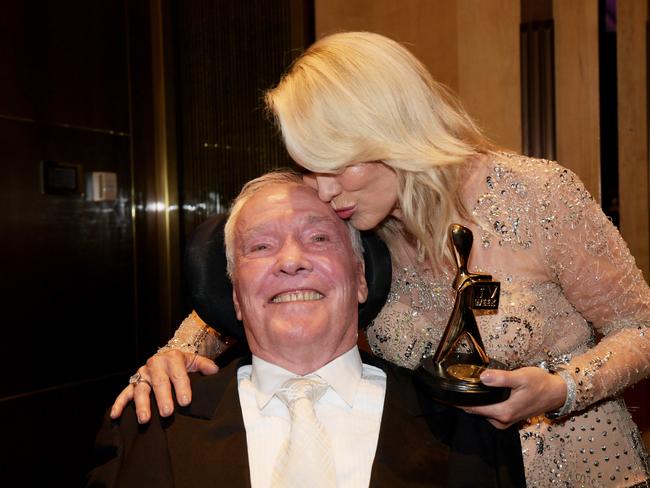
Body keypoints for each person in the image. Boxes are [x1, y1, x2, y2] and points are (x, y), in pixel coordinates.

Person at [111, 32, 650, 487]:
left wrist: (562, 389)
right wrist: (175, 356)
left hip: (580, 468)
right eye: (309, 168)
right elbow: (263, 283)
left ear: (392, 131)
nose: (322, 192)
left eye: (337, 165)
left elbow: (641, 325)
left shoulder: (538, 195)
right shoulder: (357, 217)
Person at [87, 172, 525, 487]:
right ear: (236, 296)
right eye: (260, 246)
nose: (291, 260)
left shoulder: (469, 428)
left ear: (360, 278)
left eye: (318, 239)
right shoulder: (148, 428)